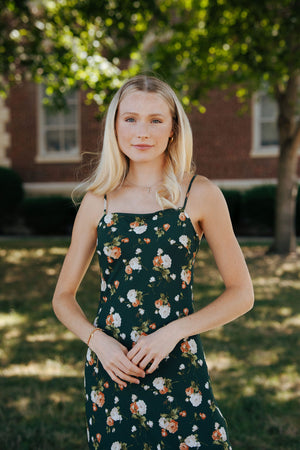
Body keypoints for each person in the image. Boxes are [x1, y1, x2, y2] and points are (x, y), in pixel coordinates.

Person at [52, 75, 254, 450]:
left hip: (176, 360)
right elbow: (63, 296)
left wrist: (173, 333)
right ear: (115, 125)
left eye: (155, 120)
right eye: (130, 118)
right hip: (113, 368)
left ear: (174, 128)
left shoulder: (200, 193)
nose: (141, 131)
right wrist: (99, 343)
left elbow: (242, 293)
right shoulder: (100, 200)